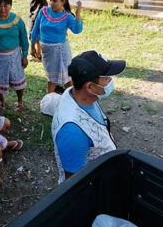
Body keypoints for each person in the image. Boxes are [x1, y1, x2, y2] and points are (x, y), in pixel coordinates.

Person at [52, 51, 125, 183]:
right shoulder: (72, 133)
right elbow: (75, 182)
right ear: (90, 87)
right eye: (108, 79)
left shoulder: (75, 95)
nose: (111, 82)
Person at [30, 0, 83, 94]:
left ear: (63, 2)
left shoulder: (67, 16)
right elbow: (35, 29)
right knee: (51, 76)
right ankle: (49, 99)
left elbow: (77, 30)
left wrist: (77, 13)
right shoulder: (43, 11)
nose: (51, 3)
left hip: (61, 51)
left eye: (55, 1)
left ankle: (72, 98)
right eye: (50, 0)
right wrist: (32, 45)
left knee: (66, 77)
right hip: (47, 52)